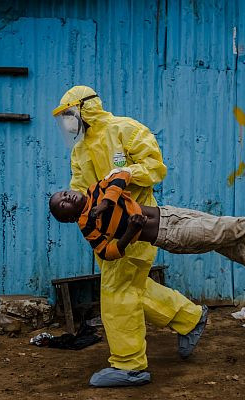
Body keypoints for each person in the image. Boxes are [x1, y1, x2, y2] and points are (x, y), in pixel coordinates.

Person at [52, 86, 206, 387]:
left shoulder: (126, 129)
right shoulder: (80, 150)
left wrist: (121, 177)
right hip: (107, 232)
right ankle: (190, 318)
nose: (68, 122)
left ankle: (129, 365)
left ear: (85, 108)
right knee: (133, 288)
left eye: (69, 114)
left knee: (117, 292)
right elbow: (81, 190)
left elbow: (155, 168)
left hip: (137, 223)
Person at [49, 170, 245, 271]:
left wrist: (105, 204)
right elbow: (106, 253)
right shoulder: (88, 226)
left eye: (63, 193)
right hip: (168, 235)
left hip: (170, 213)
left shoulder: (96, 190)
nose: (66, 196)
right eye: (62, 203)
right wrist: (128, 234)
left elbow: (121, 175)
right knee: (219, 229)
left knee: (219, 238)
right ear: (69, 217)